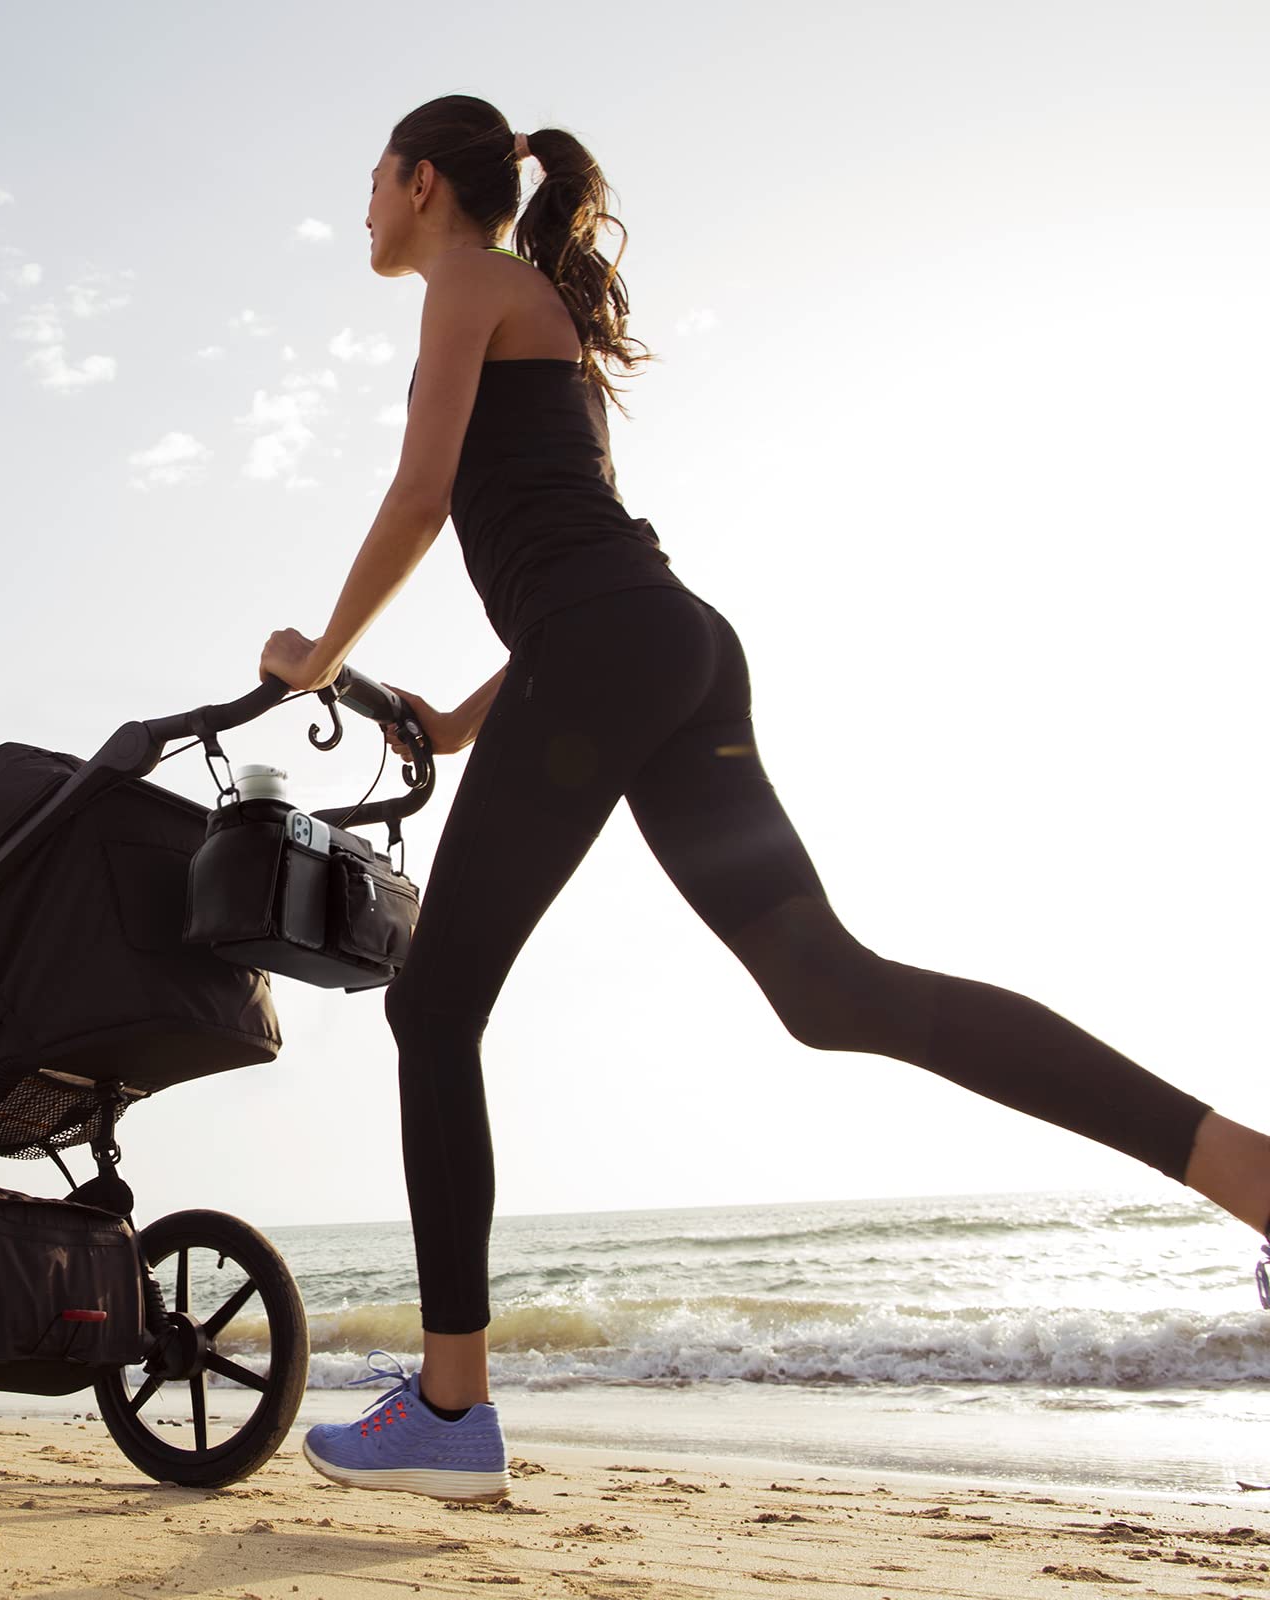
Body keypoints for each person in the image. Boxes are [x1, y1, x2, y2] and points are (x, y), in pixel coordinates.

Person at [257, 94, 1270, 1504]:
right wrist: (460, 719)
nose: (363, 208)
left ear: (423, 184)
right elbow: (580, 564)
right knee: (829, 989)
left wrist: (324, 652)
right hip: (667, 644)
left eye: (371, 180)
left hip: (618, 646)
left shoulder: (471, 286)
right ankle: (1244, 1169)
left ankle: (449, 1407)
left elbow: (424, 496)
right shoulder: (529, 307)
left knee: (432, 1007)